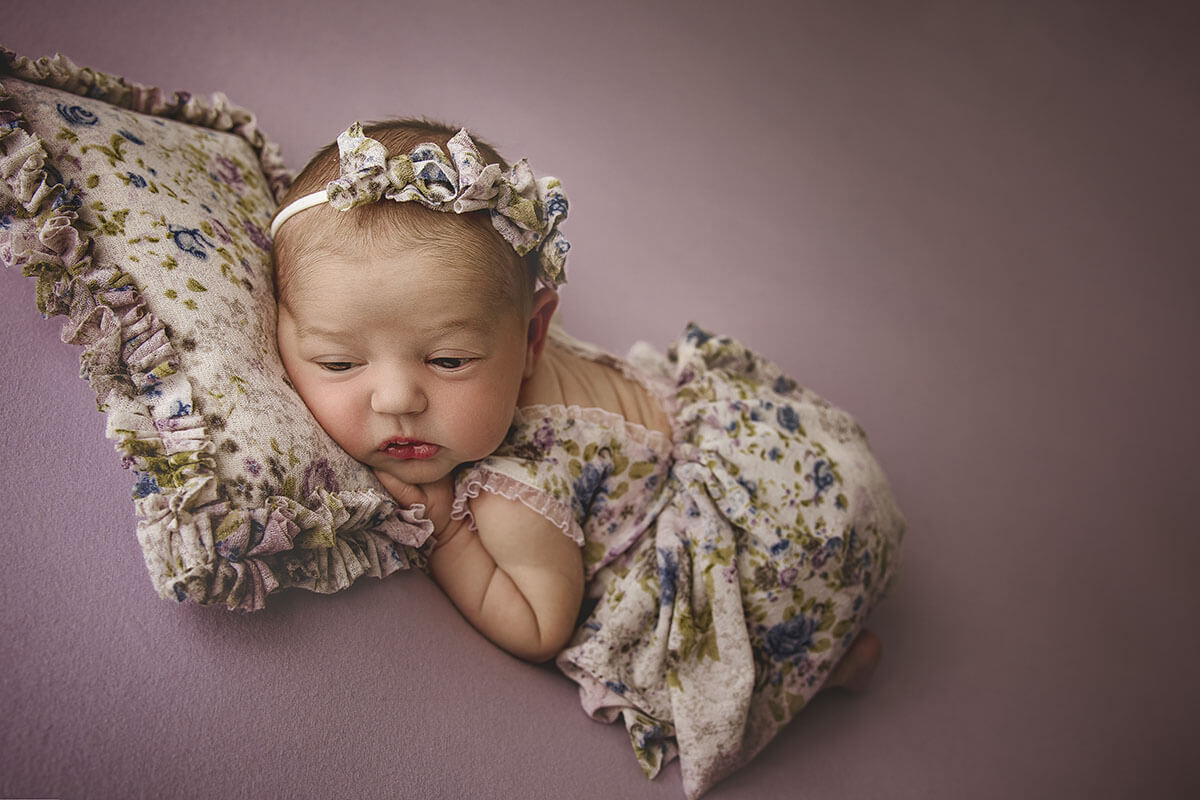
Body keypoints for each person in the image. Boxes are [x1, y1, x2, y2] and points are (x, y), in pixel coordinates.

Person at [270, 119, 905, 799]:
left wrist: (449, 534)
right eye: (339, 362)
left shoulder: (512, 496)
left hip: (782, 549)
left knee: (732, 653)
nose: (397, 399)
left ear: (533, 334)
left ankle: (833, 662)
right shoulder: (490, 320)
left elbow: (542, 627)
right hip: (793, 459)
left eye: (449, 360)